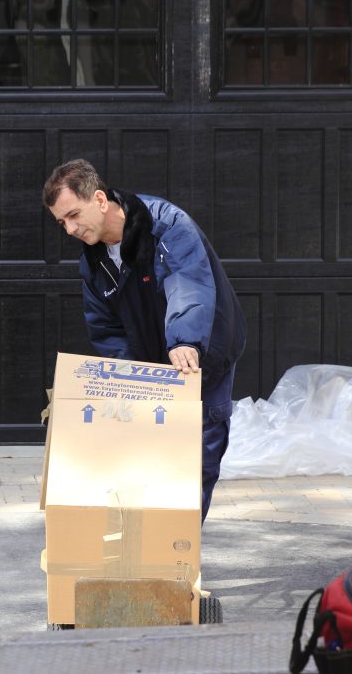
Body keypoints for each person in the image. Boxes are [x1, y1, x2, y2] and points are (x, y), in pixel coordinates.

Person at [43, 158, 246, 522]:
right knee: (154, 460)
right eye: (62, 222)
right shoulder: (93, 262)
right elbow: (106, 327)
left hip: (203, 353)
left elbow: (187, 283)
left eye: (74, 215)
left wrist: (185, 340)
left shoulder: (165, 225)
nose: (70, 229)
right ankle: (155, 554)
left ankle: (179, 557)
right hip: (155, 365)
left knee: (199, 458)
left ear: (100, 200)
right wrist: (130, 378)